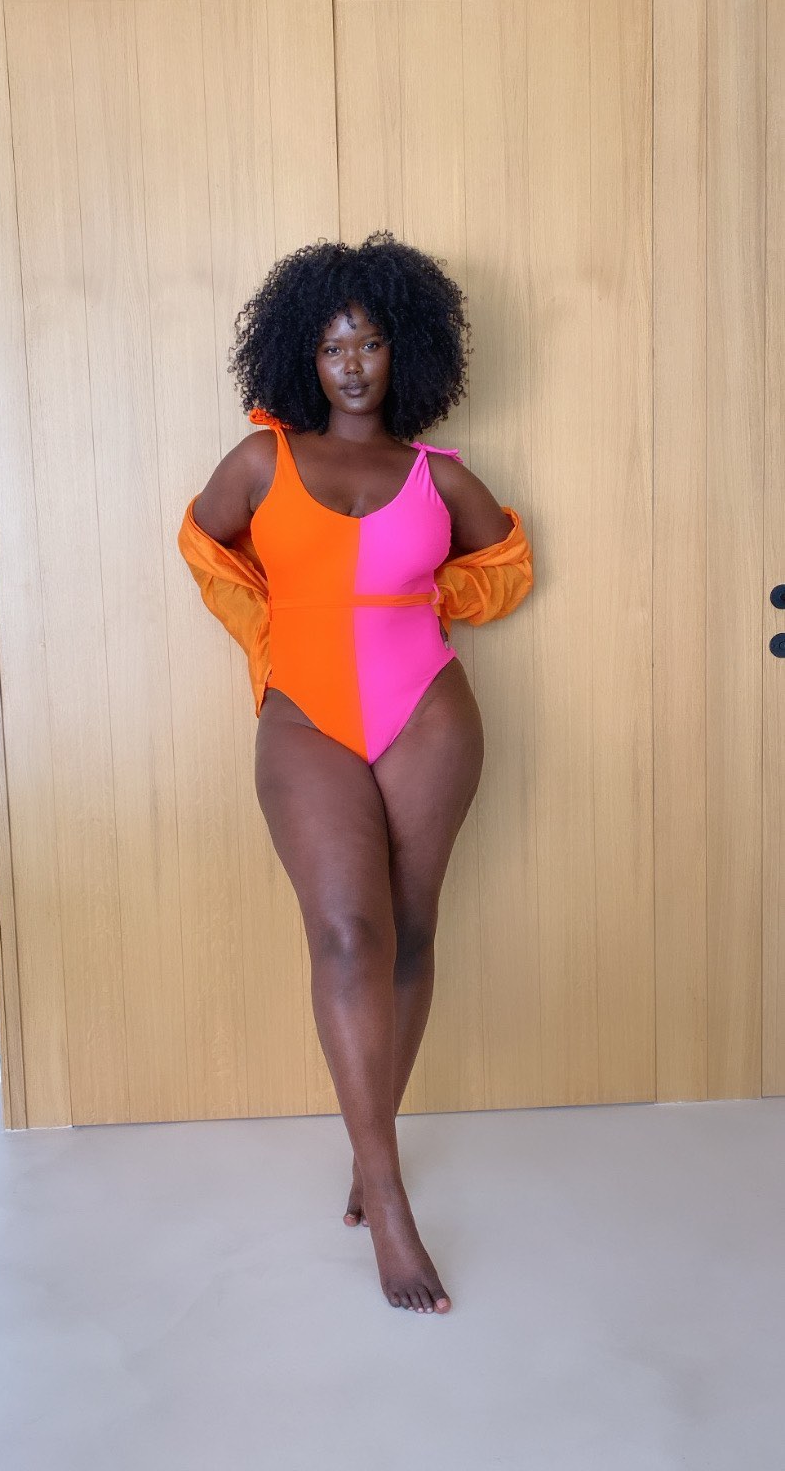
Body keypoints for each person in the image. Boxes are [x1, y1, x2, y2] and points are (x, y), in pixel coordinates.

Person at [182, 231, 532, 1314]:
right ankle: (385, 1191)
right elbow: (205, 545)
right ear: (303, 353)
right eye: (333, 345)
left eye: (371, 342)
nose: (351, 363)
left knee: (412, 932)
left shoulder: (440, 475)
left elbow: (504, 566)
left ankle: (364, 1145)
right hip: (306, 719)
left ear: (403, 352)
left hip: (429, 713)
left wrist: (426, 609)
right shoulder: (262, 461)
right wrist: (275, 643)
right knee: (347, 934)